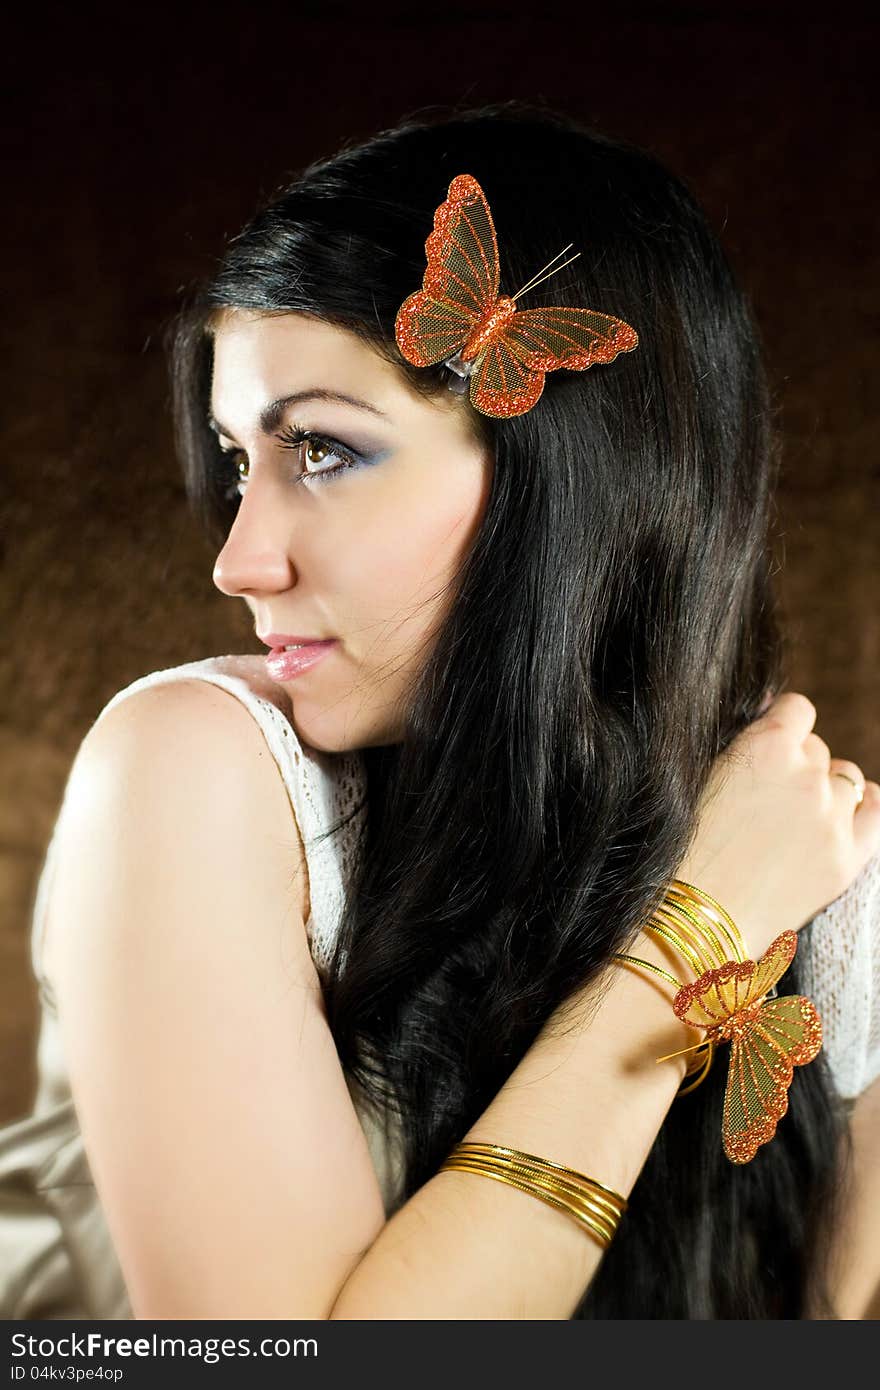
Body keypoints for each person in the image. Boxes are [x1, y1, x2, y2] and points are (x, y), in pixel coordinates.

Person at [1, 101, 879, 1321]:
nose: (239, 560)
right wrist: (690, 938)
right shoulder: (193, 767)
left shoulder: (812, 871)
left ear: (571, 483)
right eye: (240, 457)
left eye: (322, 449)